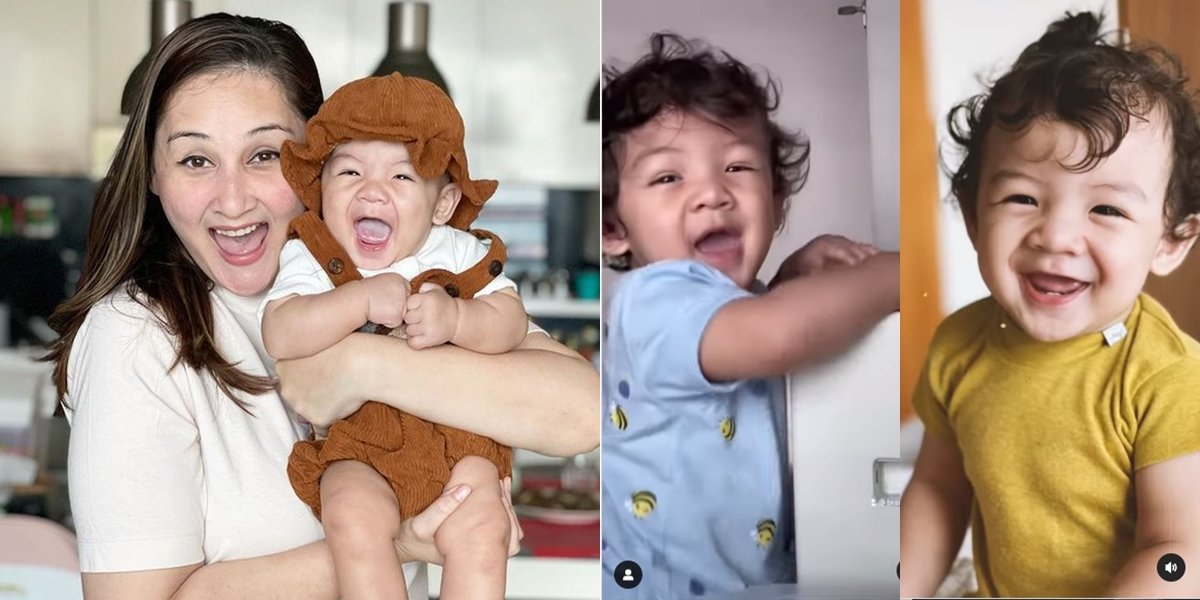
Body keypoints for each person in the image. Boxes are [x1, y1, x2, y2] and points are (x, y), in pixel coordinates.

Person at [45, 13, 598, 600]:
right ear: (154, 174)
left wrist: (357, 366)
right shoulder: (133, 335)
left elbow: (581, 412)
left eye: (263, 156)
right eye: (195, 160)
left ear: (317, 163)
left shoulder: (383, 267)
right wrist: (400, 543)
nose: (233, 200)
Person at [900, 12, 1200, 597]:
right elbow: (938, 492)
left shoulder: (1168, 379)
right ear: (972, 217)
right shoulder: (959, 345)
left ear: (1169, 242)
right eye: (1021, 197)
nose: (1056, 236)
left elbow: (1179, 553)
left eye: (1106, 209)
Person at [599, 33, 900, 598]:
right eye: (669, 177)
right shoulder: (652, 301)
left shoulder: (735, 307)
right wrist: (899, 274)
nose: (712, 193)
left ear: (777, 201)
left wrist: (791, 279)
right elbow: (781, 334)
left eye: (738, 167)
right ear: (614, 229)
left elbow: (758, 332)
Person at [261, 73, 528, 600]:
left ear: (444, 204)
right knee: (350, 518)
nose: (372, 190)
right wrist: (355, 300)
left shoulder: (454, 250)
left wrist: (457, 321)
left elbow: (510, 320)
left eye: (402, 178)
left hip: (461, 440)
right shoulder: (313, 254)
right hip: (361, 446)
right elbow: (281, 331)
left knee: (482, 529)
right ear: (320, 186)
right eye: (351, 171)